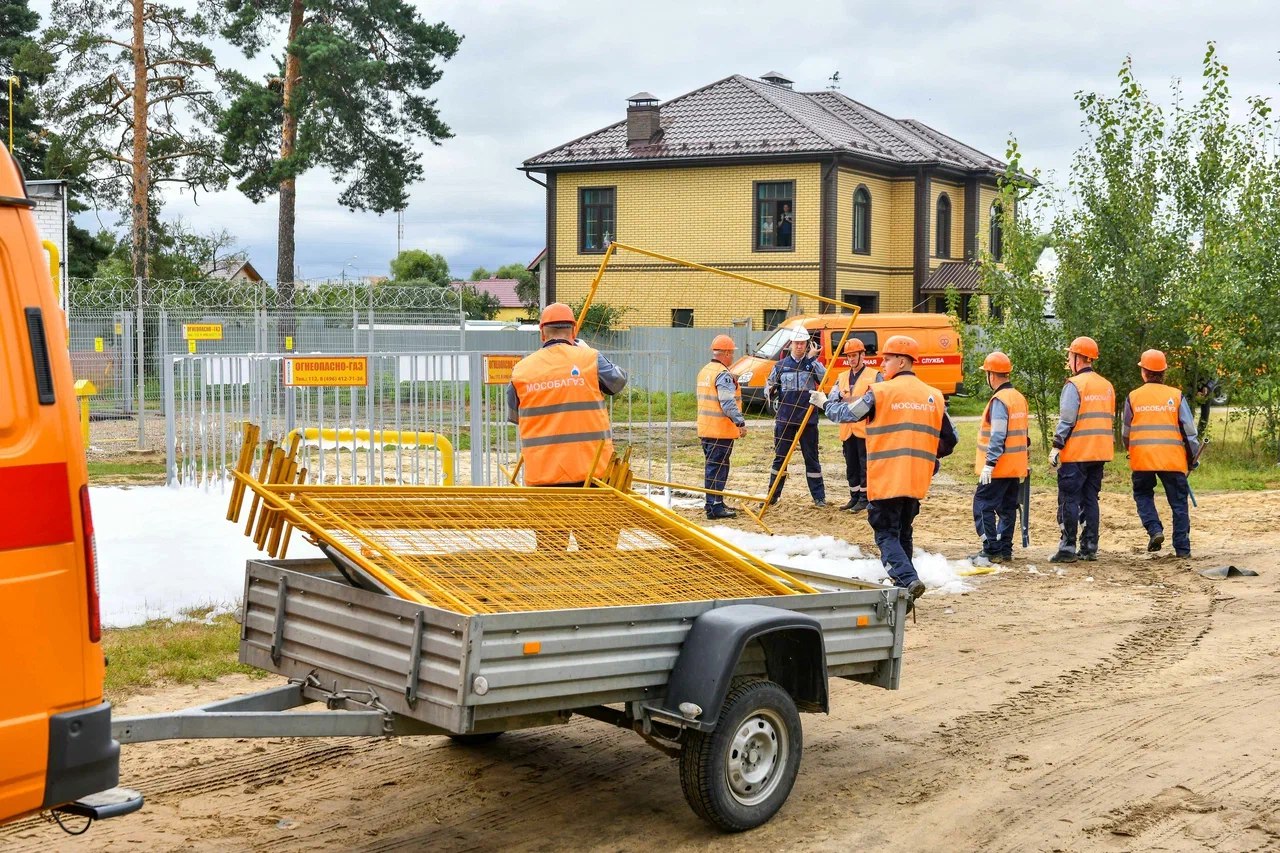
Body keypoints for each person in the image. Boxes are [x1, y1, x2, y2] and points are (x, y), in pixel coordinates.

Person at [809, 335, 957, 607]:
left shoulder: (881, 392)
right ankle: (905, 596)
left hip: (887, 478)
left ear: (902, 361)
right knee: (903, 533)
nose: (883, 364)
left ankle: (907, 580)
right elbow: (951, 439)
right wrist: (928, 459)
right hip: (915, 480)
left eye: (887, 359)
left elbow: (847, 414)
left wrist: (824, 403)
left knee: (886, 534)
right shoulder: (933, 396)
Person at [508, 302, 628, 486]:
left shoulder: (521, 370)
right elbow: (618, 381)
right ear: (574, 331)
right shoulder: (590, 358)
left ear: (542, 333)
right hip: (593, 476)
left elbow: (516, 416)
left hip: (542, 478)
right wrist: (587, 353)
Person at [1122, 349, 1201, 558]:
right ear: (1163, 372)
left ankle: (1154, 529)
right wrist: (1192, 458)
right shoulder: (1176, 396)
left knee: (1142, 494)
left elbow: (1126, 433)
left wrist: (1131, 450)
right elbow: (1189, 432)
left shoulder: (1133, 397)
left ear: (1144, 372)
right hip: (1172, 461)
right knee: (1178, 503)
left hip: (1142, 460)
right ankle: (1182, 549)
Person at [1049, 336, 1115, 563]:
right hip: (1099, 452)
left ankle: (1067, 548)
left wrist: (1057, 446)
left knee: (1069, 498)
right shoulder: (1106, 386)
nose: (1068, 360)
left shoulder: (1074, 385)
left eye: (1070, 355)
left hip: (1077, 453)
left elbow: (1067, 419)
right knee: (1090, 500)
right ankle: (1089, 547)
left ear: (1079, 358)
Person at [971, 351, 1029, 564]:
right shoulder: (1018, 398)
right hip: (1014, 467)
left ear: (991, 375)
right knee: (1007, 509)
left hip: (998, 468)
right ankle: (1004, 549)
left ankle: (991, 549)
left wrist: (989, 464)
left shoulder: (999, 400)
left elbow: (998, 434)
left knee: (982, 504)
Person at [766, 327, 827, 507]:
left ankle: (819, 498)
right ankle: (772, 495)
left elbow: (824, 378)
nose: (800, 346)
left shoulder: (812, 364)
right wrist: (768, 390)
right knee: (780, 458)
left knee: (812, 459)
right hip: (785, 421)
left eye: (803, 343)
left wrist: (812, 359)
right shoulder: (780, 366)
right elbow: (769, 388)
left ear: (807, 344)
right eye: (797, 343)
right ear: (791, 344)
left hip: (808, 421)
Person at [696, 334, 748, 520]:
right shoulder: (723, 374)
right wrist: (740, 422)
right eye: (731, 353)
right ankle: (714, 506)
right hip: (720, 430)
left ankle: (714, 501)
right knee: (718, 468)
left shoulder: (705, 371)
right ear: (725, 353)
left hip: (706, 429)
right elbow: (727, 403)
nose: (732, 356)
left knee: (713, 466)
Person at [832, 337, 880, 512]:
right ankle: (854, 497)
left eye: (854, 355)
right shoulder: (842, 377)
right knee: (851, 465)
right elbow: (833, 398)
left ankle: (864, 498)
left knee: (864, 465)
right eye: (849, 356)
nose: (851, 359)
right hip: (847, 429)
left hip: (864, 429)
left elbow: (877, 400)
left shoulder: (874, 376)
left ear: (862, 355)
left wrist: (850, 400)